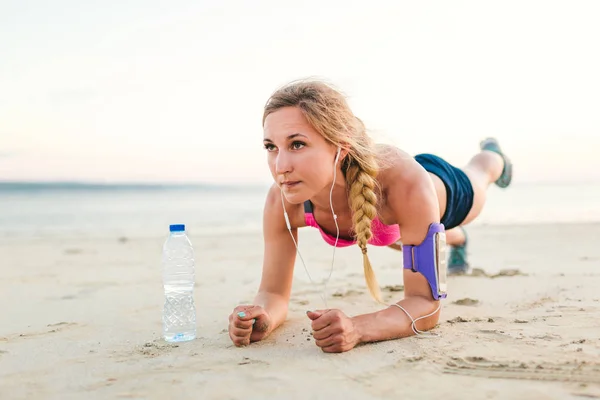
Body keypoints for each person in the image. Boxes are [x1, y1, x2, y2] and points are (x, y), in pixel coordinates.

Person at [227, 79, 512, 353]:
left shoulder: (404, 185)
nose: (280, 166)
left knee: (481, 173)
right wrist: (262, 314)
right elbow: (274, 294)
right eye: (270, 147)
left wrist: (357, 328)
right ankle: (452, 240)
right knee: (400, 237)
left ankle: (492, 155)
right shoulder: (283, 198)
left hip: (440, 191)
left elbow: (425, 304)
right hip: (392, 225)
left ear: (340, 147)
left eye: (297, 144)